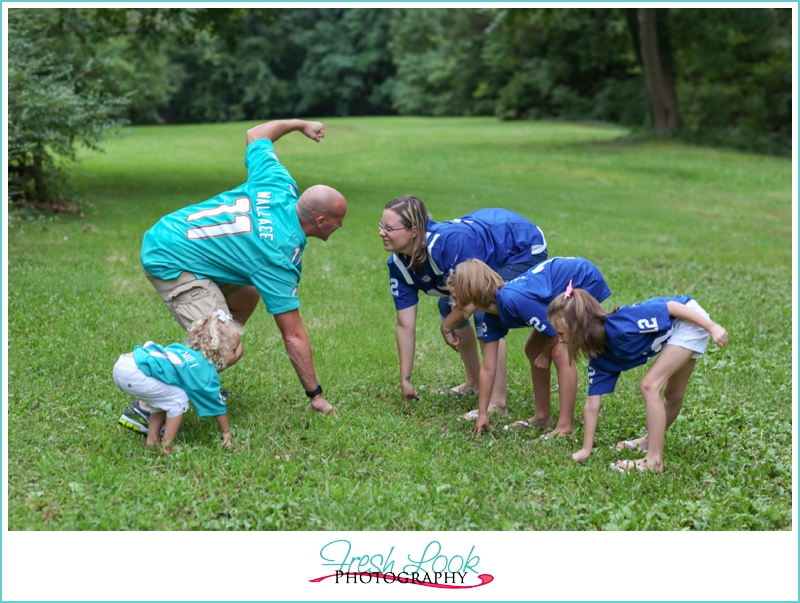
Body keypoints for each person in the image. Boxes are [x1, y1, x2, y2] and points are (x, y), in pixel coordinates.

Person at [134, 119, 346, 425]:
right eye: (340, 220)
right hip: (170, 260)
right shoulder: (280, 256)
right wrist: (316, 395)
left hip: (171, 232)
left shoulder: (278, 183)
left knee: (248, 292)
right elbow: (294, 334)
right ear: (322, 221)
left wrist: (300, 125)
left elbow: (256, 134)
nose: (342, 225)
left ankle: (200, 361)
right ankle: (146, 403)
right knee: (229, 347)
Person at [381, 195, 548, 417]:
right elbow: (405, 324)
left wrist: (446, 327)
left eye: (389, 228)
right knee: (448, 305)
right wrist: (405, 380)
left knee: (484, 310)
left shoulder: (450, 245)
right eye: (381, 226)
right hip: (492, 242)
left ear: (413, 231)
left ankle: (497, 404)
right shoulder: (399, 264)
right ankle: (474, 382)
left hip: (521, 246)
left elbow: (475, 299)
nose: (382, 233)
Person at [547, 288, 728, 473]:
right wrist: (586, 449)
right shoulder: (600, 358)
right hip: (678, 329)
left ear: (579, 328)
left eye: (562, 334)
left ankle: (654, 461)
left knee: (649, 385)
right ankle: (649, 441)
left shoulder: (622, 324)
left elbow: (672, 307)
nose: (560, 341)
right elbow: (592, 404)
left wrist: (711, 326)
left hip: (689, 319)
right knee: (673, 394)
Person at [445, 257, 611, 437]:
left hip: (581, 278)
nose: (453, 305)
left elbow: (555, 333)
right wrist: (482, 413)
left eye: (455, 297)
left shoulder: (512, 300)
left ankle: (565, 427)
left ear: (470, 291)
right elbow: (488, 368)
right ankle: (541, 417)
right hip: (555, 290)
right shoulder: (491, 317)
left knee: (559, 350)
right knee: (533, 349)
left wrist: (546, 354)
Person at [114, 310, 242, 452]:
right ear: (220, 349)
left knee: (164, 398)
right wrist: (226, 431)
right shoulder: (205, 370)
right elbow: (216, 403)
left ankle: (152, 441)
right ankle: (167, 445)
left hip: (124, 363)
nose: (237, 352)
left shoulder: (182, 350)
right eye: (234, 349)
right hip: (136, 372)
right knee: (178, 398)